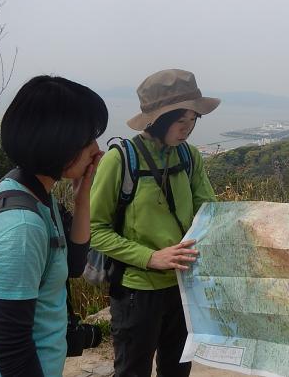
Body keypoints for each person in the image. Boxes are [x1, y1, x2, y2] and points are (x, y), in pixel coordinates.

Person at [0, 75, 108, 377]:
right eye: (87, 140)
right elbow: (12, 349)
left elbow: (74, 265)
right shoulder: (21, 228)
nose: (96, 149)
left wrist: (82, 199)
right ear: (58, 142)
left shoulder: (33, 192)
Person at [90, 69, 221, 377]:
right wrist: (151, 257)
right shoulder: (121, 159)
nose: (188, 129)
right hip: (137, 291)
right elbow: (95, 230)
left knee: (177, 370)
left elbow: (209, 212)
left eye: (193, 120)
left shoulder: (188, 156)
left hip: (184, 286)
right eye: (180, 121)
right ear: (159, 120)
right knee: (133, 370)